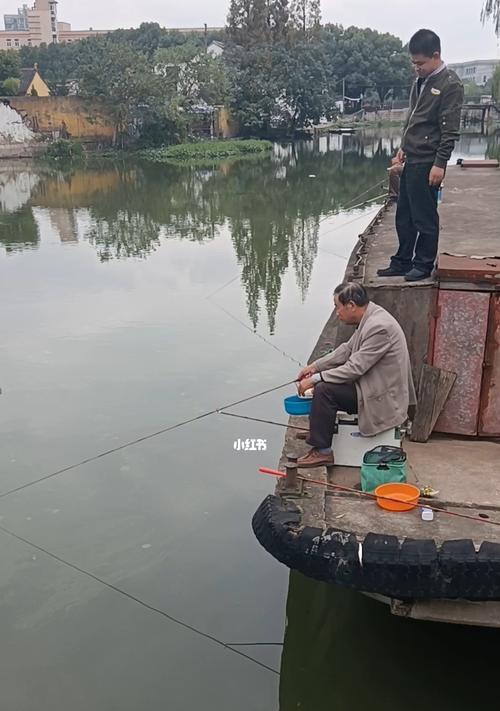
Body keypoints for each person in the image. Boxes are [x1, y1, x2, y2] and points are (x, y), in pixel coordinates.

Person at [295, 282, 416, 468]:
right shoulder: (370, 317)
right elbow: (347, 350)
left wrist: (315, 378)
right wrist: (314, 367)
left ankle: (322, 451)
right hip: (370, 386)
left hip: (381, 397)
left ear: (351, 305)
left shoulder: (379, 327)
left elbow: (354, 368)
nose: (337, 313)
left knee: (324, 390)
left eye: (337, 307)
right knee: (324, 385)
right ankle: (318, 432)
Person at [377, 29, 464, 282]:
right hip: (412, 157)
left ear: (436, 55)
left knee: (424, 216)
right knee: (404, 215)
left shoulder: (450, 84)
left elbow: (449, 130)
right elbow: (413, 118)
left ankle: (424, 263)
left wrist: (440, 164)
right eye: (413, 63)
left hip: (428, 161)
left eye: (421, 63)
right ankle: (402, 260)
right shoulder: (420, 81)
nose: (416, 68)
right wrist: (403, 146)